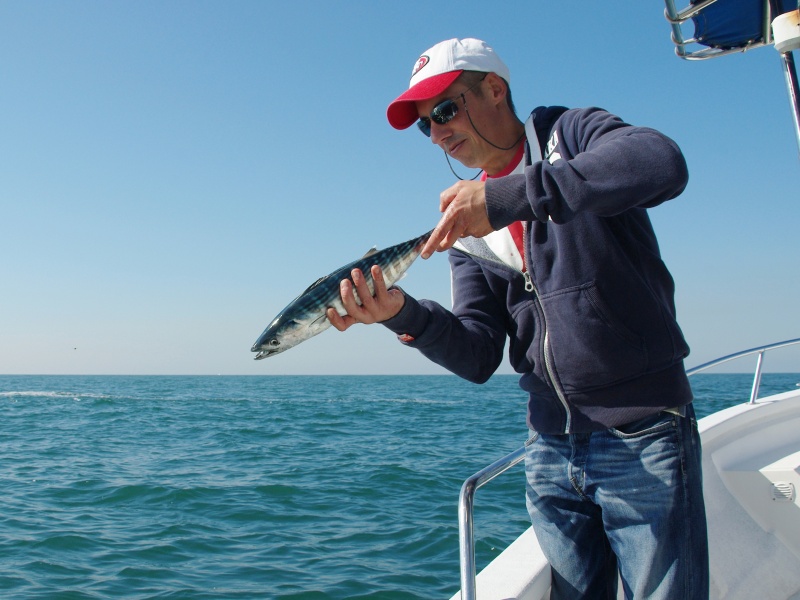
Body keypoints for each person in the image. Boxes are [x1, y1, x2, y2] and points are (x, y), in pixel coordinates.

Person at [327, 37, 708, 599]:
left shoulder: (567, 135)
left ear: (495, 89)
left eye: (446, 110)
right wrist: (400, 313)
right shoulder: (468, 225)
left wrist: (512, 197)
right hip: (549, 447)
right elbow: (478, 353)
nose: (437, 132)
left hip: (644, 433)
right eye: (425, 125)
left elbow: (661, 163)